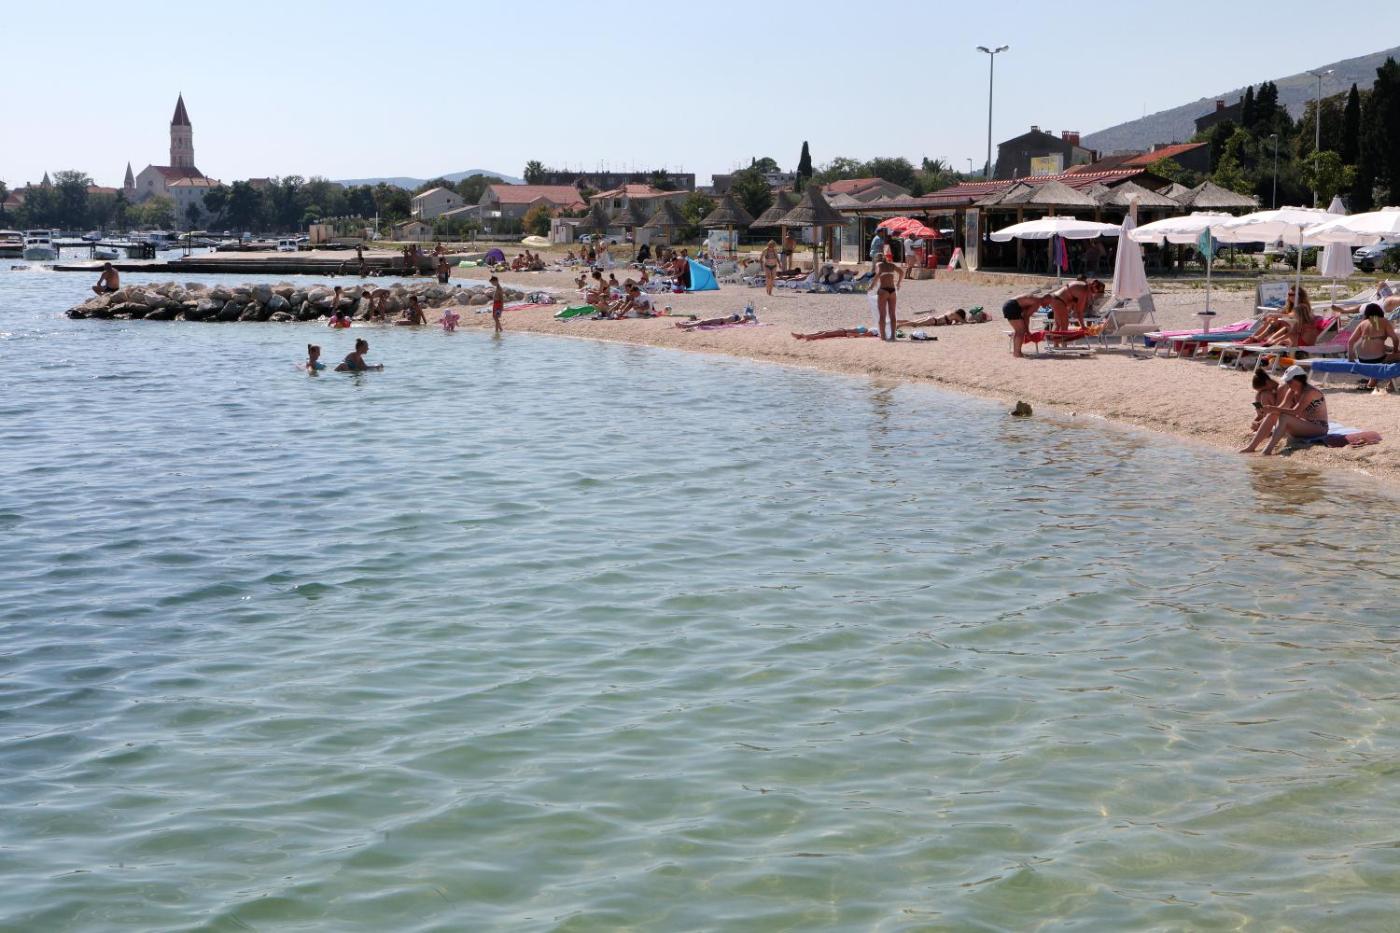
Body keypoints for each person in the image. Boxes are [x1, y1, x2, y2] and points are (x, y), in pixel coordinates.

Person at [1241, 365, 1329, 454]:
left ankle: (1268, 450)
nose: (1288, 384)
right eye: (1287, 381)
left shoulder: (1310, 392)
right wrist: (1266, 414)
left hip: (1319, 427)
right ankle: (1251, 447)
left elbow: (1296, 412)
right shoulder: (1292, 390)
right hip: (1303, 425)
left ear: (1299, 379)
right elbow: (1282, 407)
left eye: (1289, 381)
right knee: (1273, 414)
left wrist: (1272, 408)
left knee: (1284, 417)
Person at [1002, 292, 1064, 358]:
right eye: (1048, 303)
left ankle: (1017, 352)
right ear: (1045, 299)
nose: (1048, 305)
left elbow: (1024, 315)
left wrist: (1026, 330)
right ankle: (1017, 353)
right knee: (1020, 331)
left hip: (1010, 305)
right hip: (1012, 306)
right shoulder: (1037, 302)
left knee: (1019, 331)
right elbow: (1026, 316)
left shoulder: (1035, 299)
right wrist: (1028, 332)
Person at [871, 253, 904, 341]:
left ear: (877, 259)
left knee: (882, 314)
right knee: (892, 314)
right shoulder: (892, 265)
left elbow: (877, 276)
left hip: (883, 290)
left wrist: (871, 287)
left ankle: (883, 336)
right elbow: (901, 272)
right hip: (892, 291)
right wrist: (898, 283)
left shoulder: (878, 265)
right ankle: (893, 336)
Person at [898, 308, 967, 328]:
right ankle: (898, 326)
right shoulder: (956, 315)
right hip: (933, 321)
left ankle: (895, 321)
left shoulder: (950, 312)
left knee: (912, 321)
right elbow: (964, 322)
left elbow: (955, 322)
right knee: (915, 324)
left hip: (932, 318)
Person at [792, 326, 875, 340]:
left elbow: (864, 335)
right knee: (822, 332)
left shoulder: (875, 331)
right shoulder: (875, 328)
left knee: (825, 334)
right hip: (843, 330)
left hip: (844, 332)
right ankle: (801, 336)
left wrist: (852, 335)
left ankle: (809, 337)